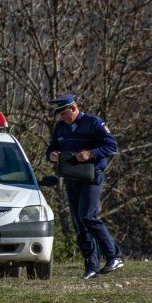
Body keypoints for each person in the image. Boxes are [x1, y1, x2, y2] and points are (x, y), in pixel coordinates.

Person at [45, 94, 123, 280]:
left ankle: (114, 256)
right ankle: (91, 266)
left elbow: (112, 146)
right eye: (60, 115)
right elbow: (51, 148)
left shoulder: (93, 123)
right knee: (79, 224)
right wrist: (52, 155)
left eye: (64, 113)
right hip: (71, 179)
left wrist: (91, 153)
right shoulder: (60, 127)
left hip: (92, 177)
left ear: (73, 108)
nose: (62, 118)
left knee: (88, 216)